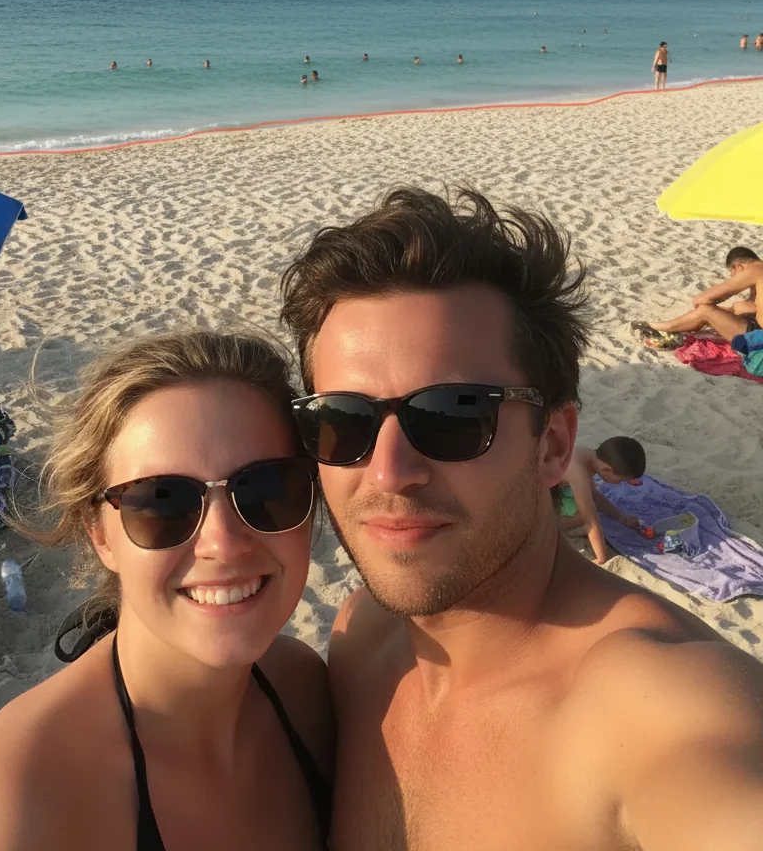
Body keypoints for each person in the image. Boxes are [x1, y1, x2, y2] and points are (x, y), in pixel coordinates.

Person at [279, 187, 763, 850]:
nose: (389, 472)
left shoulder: (654, 703)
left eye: (452, 415)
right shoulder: (362, 636)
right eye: (342, 421)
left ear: (555, 446)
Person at [0, 331, 332, 851]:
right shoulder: (20, 803)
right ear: (99, 535)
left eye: (269, 489)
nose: (223, 544)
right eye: (162, 502)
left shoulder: (305, 691)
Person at [633, 245, 763, 342]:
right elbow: (755, 306)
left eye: (733, 275)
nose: (733, 278)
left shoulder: (754, 270)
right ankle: (694, 323)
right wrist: (725, 311)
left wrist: (710, 310)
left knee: (705, 310)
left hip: (758, 338)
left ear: (738, 267)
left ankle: (666, 327)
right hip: (757, 328)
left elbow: (702, 299)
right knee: (739, 305)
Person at [558, 437, 645, 565]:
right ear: (606, 470)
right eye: (620, 480)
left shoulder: (590, 456)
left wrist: (621, 517)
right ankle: (560, 527)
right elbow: (590, 520)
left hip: (554, 489)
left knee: (589, 505)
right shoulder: (578, 473)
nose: (619, 484)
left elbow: (595, 496)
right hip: (533, 499)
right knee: (587, 516)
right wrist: (601, 558)